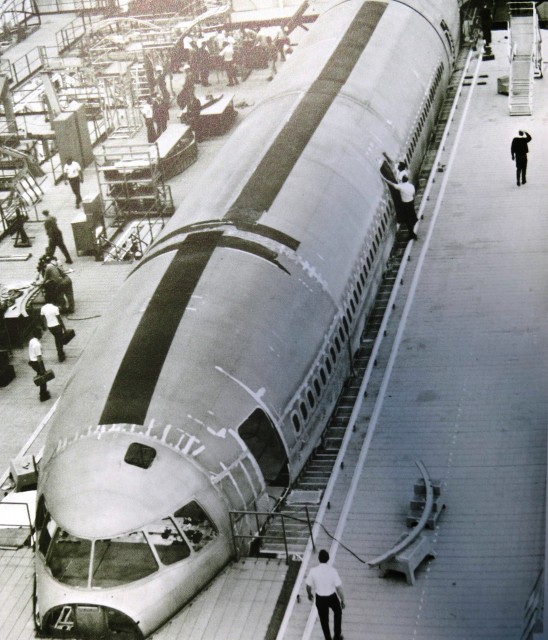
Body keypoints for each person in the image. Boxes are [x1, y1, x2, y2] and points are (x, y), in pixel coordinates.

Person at [306, 549, 345, 640]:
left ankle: (328, 638)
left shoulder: (313, 571)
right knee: (338, 612)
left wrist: (309, 594)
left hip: (320, 598)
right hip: (332, 597)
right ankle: (337, 635)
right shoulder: (333, 571)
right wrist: (342, 599)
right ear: (328, 559)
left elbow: (308, 586)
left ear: (319, 558)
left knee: (324, 620)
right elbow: (339, 588)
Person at [382, 174, 418, 240]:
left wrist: (384, 179)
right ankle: (414, 222)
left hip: (405, 204)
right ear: (407, 180)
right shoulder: (411, 186)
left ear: (402, 180)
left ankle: (412, 234)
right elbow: (413, 194)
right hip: (411, 202)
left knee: (407, 219)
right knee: (413, 215)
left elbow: (392, 184)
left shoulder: (401, 187)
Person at [28, 327, 51, 402]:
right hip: (37, 363)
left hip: (32, 361)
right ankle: (43, 395)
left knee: (41, 378)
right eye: (40, 333)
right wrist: (42, 370)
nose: (42, 334)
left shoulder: (32, 340)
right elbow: (39, 358)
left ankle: (43, 392)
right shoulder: (37, 344)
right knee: (43, 379)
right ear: (38, 334)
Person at [41, 296, 66, 362]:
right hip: (57, 326)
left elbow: (41, 318)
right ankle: (60, 354)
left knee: (56, 338)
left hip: (50, 327)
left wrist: (43, 326)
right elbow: (59, 319)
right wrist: (64, 328)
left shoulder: (43, 308)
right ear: (52, 301)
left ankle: (60, 351)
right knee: (59, 340)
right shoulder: (55, 308)